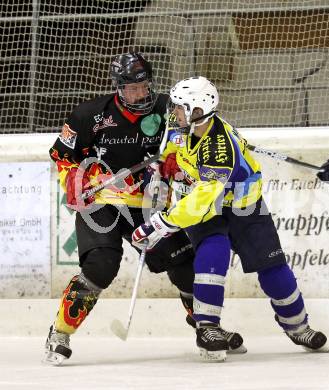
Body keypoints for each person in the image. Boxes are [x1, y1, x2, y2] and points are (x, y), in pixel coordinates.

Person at [45, 54, 243, 365]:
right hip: (103, 202)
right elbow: (61, 155)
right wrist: (79, 180)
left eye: (145, 86)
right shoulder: (89, 115)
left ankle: (207, 330)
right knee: (101, 264)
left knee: (184, 267)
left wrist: (173, 165)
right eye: (132, 88)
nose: (141, 94)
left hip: (149, 203)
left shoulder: (168, 107)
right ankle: (59, 332)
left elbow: (194, 138)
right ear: (118, 88)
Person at [132, 76, 329, 361]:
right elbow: (172, 150)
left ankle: (297, 326)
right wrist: (163, 163)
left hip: (242, 206)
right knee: (214, 254)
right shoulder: (185, 128)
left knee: (274, 270)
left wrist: (161, 224)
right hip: (208, 210)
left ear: (196, 111)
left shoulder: (218, 148)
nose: (172, 112)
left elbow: (203, 199)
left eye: (178, 107)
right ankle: (208, 327)